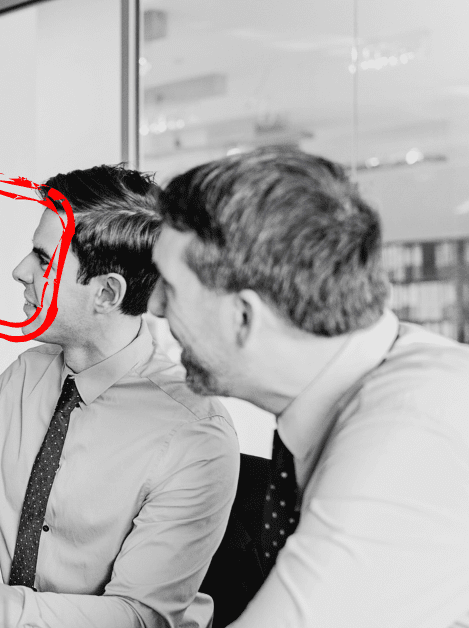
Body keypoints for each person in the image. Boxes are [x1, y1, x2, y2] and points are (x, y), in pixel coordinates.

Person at [0, 165, 239, 628]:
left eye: (44, 259)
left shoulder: (193, 433)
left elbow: (139, 618)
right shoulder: (23, 377)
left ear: (106, 293)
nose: (20, 271)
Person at [149, 146, 469, 627]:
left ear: (243, 318)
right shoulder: (384, 386)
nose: (153, 307)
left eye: (169, 288)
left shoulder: (407, 436)